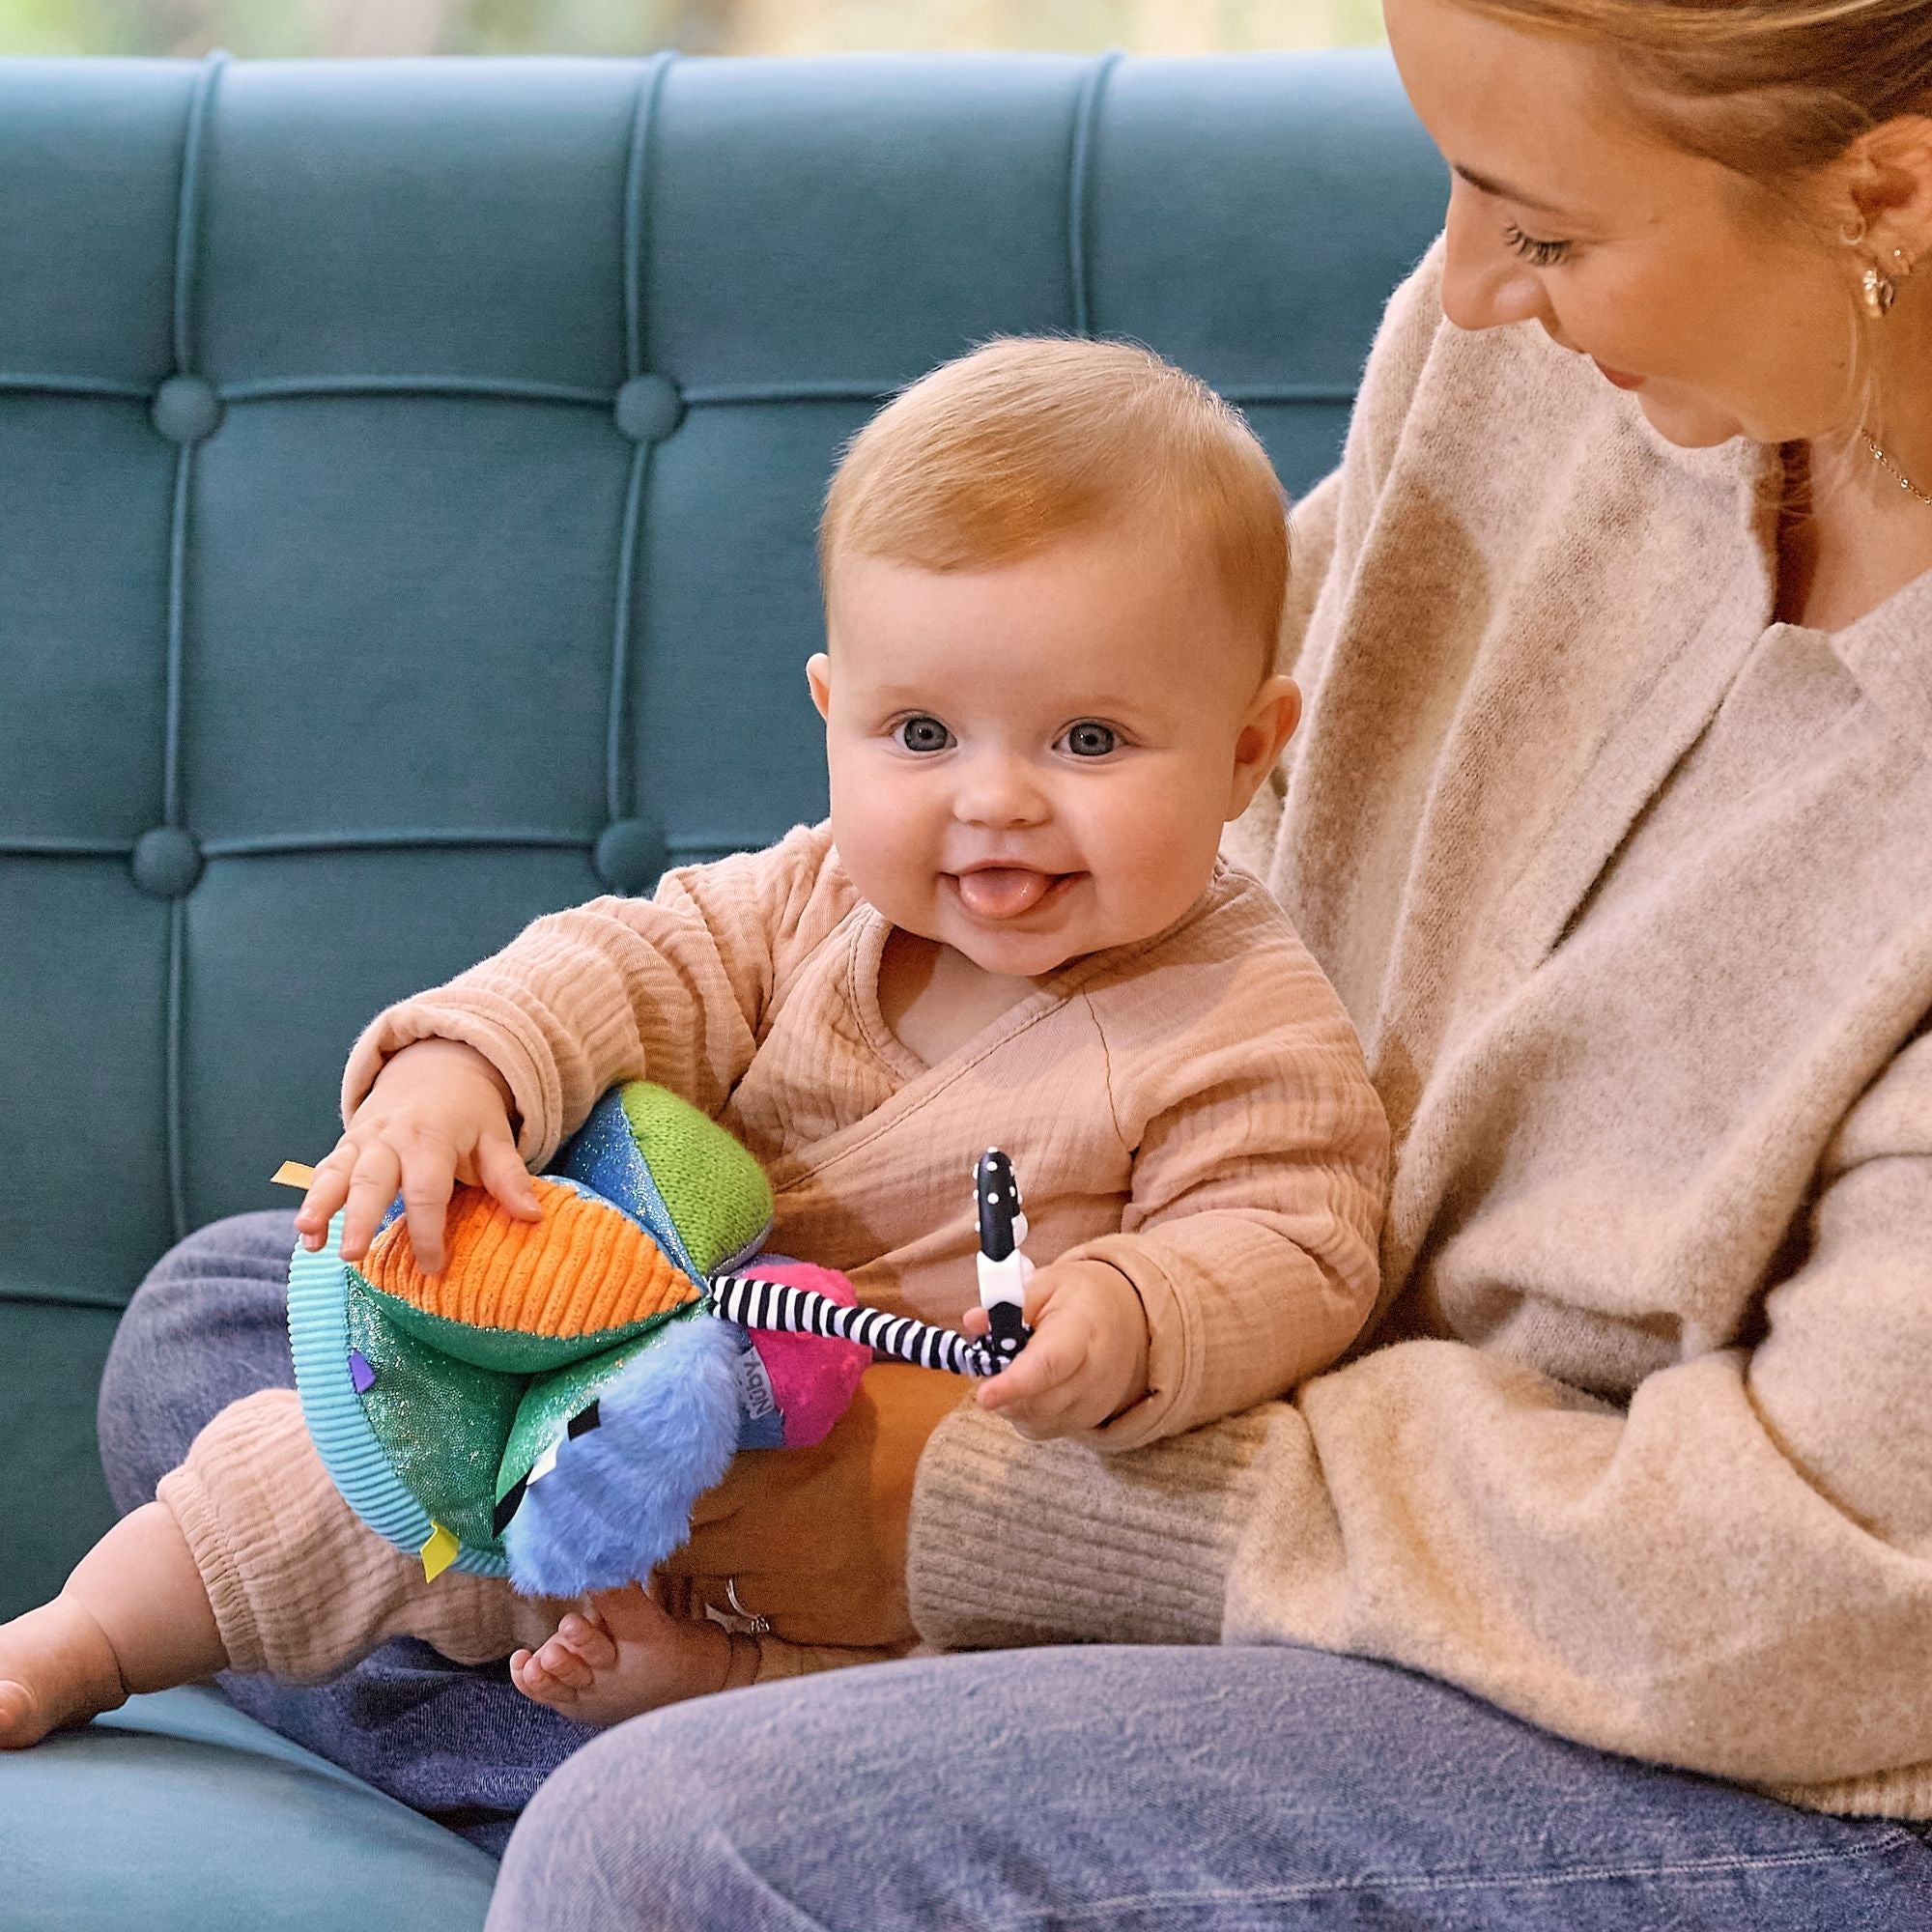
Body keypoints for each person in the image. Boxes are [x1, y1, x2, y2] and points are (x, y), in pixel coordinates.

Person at [456, 0, 1932, 1922]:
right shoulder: (1546, 370)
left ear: (1883, 189)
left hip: (1745, 1728)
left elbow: (1836, 1599)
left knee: (667, 1842)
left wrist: (965, 1512)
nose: (1465, 294)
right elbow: (1141, 808)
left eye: (1543, 231)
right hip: (1175, 1385)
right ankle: (758, 1693)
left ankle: (749, 1731)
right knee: (278, 1332)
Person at [0, 340, 1387, 1744]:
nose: (997, 801)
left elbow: (1296, 1238)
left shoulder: (1239, 1018)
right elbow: (627, 961)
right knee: (311, 1454)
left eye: (1088, 741)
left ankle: (669, 1717)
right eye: (922, 732)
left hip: (894, 1520)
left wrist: (1144, 1313)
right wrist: (461, 1069)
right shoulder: (815, 899)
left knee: (996, 1682)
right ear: (831, 715)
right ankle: (80, 1647)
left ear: (1246, 751)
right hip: (623, 1400)